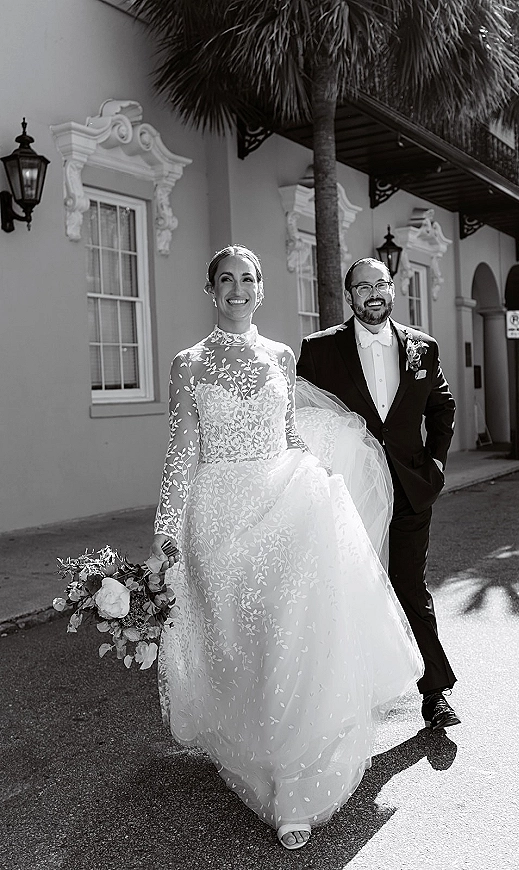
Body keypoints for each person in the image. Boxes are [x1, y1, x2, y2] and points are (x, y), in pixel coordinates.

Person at [150, 245, 423, 850]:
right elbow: (181, 452)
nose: (239, 290)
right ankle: (252, 755)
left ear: (262, 288)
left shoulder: (281, 354)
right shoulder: (187, 365)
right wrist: (168, 530)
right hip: (219, 515)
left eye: (249, 279)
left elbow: (292, 433)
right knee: (238, 644)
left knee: (289, 638)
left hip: (285, 505)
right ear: (210, 289)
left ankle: (295, 785)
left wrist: (322, 479)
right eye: (227, 280)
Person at [297, 257, 460, 733]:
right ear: (348, 296)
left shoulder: (422, 348)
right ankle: (343, 700)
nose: (373, 293)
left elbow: (442, 407)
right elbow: (303, 416)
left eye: (381, 284)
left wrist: (434, 464)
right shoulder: (319, 349)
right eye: (362, 286)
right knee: (346, 589)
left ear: (393, 290)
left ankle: (434, 693)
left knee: (409, 585)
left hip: (411, 489)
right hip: (349, 493)